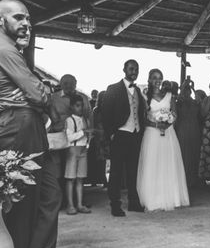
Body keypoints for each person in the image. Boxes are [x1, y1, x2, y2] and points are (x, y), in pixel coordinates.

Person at [0, 0, 64, 248]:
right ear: (1, 21)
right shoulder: (3, 48)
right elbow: (37, 94)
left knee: (50, 192)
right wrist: (47, 101)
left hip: (31, 126)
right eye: (18, 18)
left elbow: (34, 93)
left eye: (28, 18)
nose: (25, 23)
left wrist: (41, 98)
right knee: (24, 200)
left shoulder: (14, 50)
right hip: (18, 127)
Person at [137, 69, 190, 211]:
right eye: (154, 77)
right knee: (153, 164)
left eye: (159, 78)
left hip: (168, 134)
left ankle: (172, 197)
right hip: (152, 134)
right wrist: (156, 124)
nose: (157, 80)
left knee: (168, 163)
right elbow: (142, 119)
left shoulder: (169, 95)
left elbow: (174, 114)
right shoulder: (144, 96)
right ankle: (153, 199)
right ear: (149, 79)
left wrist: (168, 121)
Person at [102, 59, 146, 216]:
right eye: (131, 69)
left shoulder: (139, 91)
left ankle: (133, 202)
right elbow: (105, 113)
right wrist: (111, 133)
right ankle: (115, 204)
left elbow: (140, 113)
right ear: (124, 70)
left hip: (135, 134)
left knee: (133, 170)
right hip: (120, 134)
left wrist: (140, 131)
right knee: (116, 171)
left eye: (136, 69)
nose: (134, 72)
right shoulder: (113, 89)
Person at [63, 95, 92, 215]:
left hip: (83, 150)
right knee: (70, 179)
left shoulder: (85, 119)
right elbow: (69, 138)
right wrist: (83, 132)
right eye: (77, 105)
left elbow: (88, 137)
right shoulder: (69, 120)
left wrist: (89, 141)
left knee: (80, 178)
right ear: (71, 107)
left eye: (82, 105)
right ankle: (70, 205)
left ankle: (79, 204)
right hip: (72, 150)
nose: (80, 108)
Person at [175, 78, 202, 188]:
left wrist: (193, 87)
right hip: (182, 130)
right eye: (184, 90)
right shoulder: (179, 102)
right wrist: (184, 85)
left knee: (194, 155)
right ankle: (184, 180)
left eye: (188, 90)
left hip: (194, 130)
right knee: (183, 155)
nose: (186, 92)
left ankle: (193, 180)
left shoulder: (195, 102)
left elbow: (201, 109)